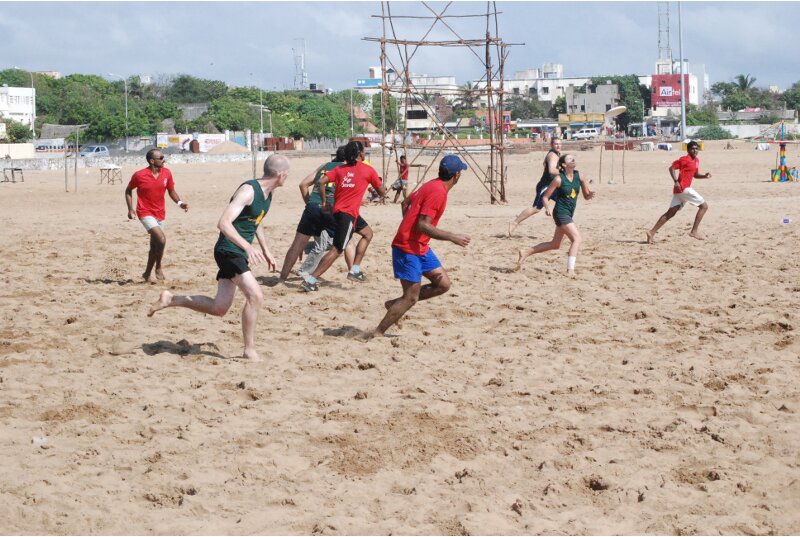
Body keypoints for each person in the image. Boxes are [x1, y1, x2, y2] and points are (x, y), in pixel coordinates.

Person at [147, 155, 290, 362]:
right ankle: (249, 349)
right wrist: (248, 247)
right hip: (228, 250)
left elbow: (255, 221)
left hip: (238, 251)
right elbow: (223, 223)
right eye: (287, 175)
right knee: (256, 296)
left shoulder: (268, 194)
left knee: (219, 307)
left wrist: (266, 250)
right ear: (280, 174)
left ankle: (171, 299)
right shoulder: (248, 190)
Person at [372, 155, 471, 337]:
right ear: (457, 175)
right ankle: (378, 332)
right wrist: (452, 237)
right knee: (411, 297)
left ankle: (394, 303)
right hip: (407, 248)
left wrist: (407, 224)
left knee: (443, 284)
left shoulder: (432, 184)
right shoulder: (438, 192)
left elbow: (405, 202)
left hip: (420, 246)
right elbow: (423, 225)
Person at [302, 141, 387, 291]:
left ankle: (355, 269)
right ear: (361, 154)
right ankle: (311, 280)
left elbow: (321, 182)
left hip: (341, 211)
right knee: (337, 249)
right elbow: (382, 193)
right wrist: (382, 187)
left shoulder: (340, 169)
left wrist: (324, 202)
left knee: (368, 234)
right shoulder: (368, 170)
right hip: (347, 214)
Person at [278, 147, 355, 282]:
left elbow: (303, 185)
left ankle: (282, 279)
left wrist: (310, 204)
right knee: (348, 241)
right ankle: (353, 273)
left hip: (313, 207)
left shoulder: (324, 166)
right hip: (331, 208)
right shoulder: (347, 169)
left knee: (297, 245)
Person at [515, 153, 595, 277]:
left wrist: (589, 195)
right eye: (570, 158)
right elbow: (545, 197)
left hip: (568, 213)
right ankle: (570, 270)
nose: (573, 159)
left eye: (574, 158)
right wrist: (547, 208)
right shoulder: (558, 179)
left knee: (555, 245)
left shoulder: (580, 176)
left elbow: (585, 195)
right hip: (560, 213)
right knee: (577, 239)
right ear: (564, 164)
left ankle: (525, 252)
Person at [125, 148, 189, 283]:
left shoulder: (167, 173)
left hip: (160, 213)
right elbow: (128, 190)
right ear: (152, 161)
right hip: (144, 212)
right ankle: (158, 266)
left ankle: (147, 273)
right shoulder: (139, 175)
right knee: (161, 239)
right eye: (161, 158)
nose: (163, 160)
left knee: (154, 246)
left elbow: (171, 190)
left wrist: (180, 203)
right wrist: (131, 209)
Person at [646, 140, 711, 243]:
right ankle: (694, 231)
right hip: (683, 188)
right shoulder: (684, 159)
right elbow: (671, 168)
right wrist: (676, 181)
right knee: (704, 206)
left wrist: (704, 176)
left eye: (696, 148)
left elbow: (695, 175)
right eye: (692, 149)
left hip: (680, 191)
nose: (695, 150)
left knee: (670, 213)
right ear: (688, 150)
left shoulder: (697, 160)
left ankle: (651, 232)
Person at [507, 136, 562, 237]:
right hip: (545, 186)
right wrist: (564, 172)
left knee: (563, 202)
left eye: (559, 143)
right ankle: (514, 222)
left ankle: (562, 226)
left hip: (552, 186)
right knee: (536, 209)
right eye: (556, 144)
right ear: (551, 145)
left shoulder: (556, 154)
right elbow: (551, 170)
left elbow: (546, 166)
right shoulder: (553, 155)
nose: (558, 145)